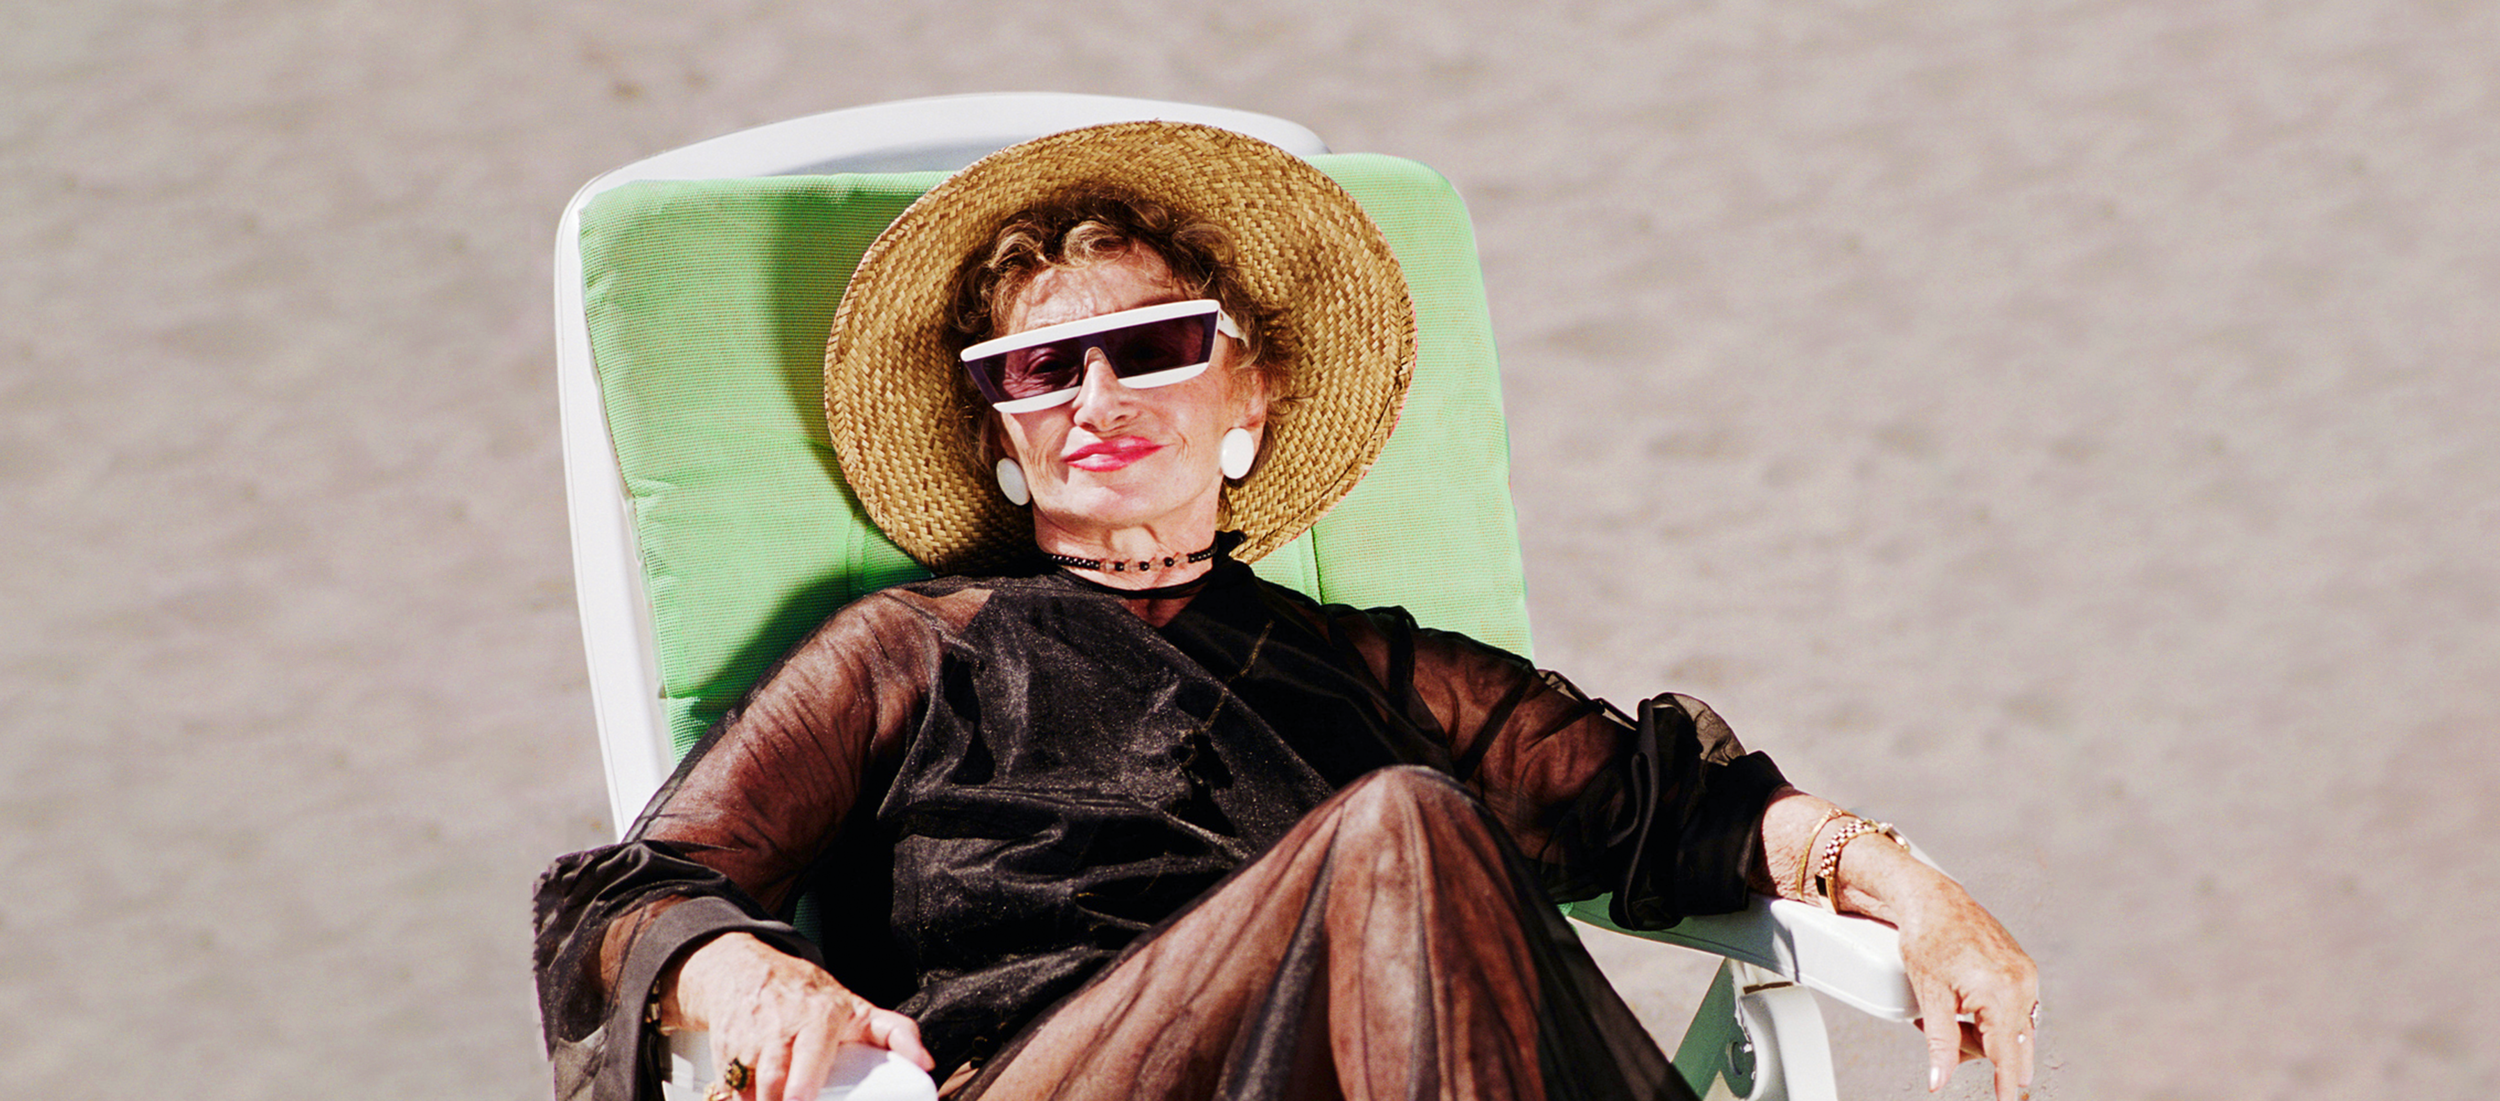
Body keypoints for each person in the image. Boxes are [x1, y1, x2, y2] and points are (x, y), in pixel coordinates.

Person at [534, 121, 2038, 1101]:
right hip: (1059, 1076)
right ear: (1003, 438)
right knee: (1407, 826)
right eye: (1039, 371)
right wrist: (737, 965)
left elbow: (1666, 809)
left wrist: (1908, 888)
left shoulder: (1367, 667)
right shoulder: (921, 648)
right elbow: (620, 891)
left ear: (1247, 394)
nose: (1095, 396)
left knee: (1413, 835)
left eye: (1151, 346)